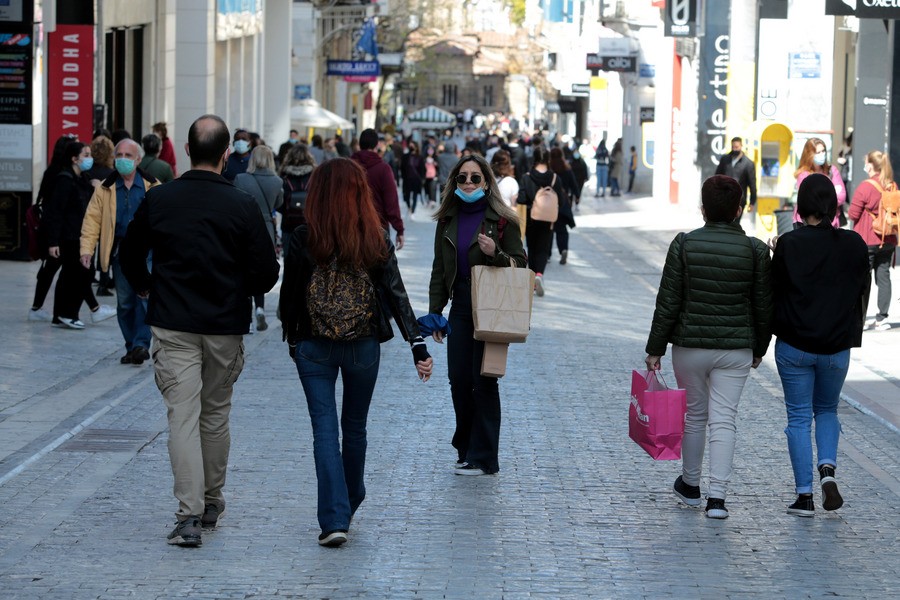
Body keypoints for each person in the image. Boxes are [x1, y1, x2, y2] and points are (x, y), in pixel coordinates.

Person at [120, 114, 279, 547]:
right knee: (215, 414)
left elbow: (129, 255)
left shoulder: (160, 199)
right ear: (227, 154)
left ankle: (189, 515)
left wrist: (146, 288)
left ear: (187, 151)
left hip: (173, 322)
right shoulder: (242, 205)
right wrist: (236, 289)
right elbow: (266, 273)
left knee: (183, 417)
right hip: (225, 325)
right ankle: (210, 501)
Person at [279, 158, 432, 547]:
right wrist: (417, 345)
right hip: (363, 346)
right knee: (355, 427)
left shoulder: (303, 236)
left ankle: (334, 517)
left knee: (324, 431)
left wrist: (292, 338)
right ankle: (350, 497)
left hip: (313, 346)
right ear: (360, 193)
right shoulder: (374, 237)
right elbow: (396, 293)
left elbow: (290, 296)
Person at [645, 175, 773, 520]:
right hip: (736, 349)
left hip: (690, 346)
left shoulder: (684, 244)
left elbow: (668, 302)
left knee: (695, 417)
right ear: (740, 209)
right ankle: (717, 499)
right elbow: (764, 306)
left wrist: (655, 348)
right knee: (724, 420)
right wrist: (759, 348)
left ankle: (690, 486)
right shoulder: (756, 250)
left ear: (703, 208)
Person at [771, 173, 869, 517]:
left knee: (798, 417)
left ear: (801, 207)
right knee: (827, 410)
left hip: (795, 345)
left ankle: (804, 496)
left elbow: (776, 291)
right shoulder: (854, 243)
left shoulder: (788, 244)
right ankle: (827, 470)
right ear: (834, 204)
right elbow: (861, 291)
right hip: (836, 347)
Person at [428, 154, 526, 476]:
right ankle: (466, 446)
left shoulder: (502, 220)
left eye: (475, 178)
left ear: (486, 181)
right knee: (458, 380)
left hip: (492, 307)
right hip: (459, 306)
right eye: (462, 178)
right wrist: (434, 314)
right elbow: (439, 269)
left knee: (483, 380)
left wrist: (493, 254)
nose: (468, 183)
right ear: (454, 182)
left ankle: (483, 457)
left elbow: (521, 265)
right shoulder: (447, 220)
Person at [80, 139, 161, 365]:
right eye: (119, 155)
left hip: (147, 252)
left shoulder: (153, 186)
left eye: (128, 155)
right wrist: (87, 249)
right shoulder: (105, 188)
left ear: (138, 159)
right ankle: (131, 345)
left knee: (144, 299)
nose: (123, 159)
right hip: (120, 253)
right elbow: (92, 220)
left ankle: (140, 345)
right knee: (125, 302)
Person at [42, 141, 116, 328]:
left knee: (71, 274)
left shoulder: (81, 179)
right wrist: (53, 242)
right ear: (74, 159)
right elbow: (56, 212)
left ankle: (60, 315)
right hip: (68, 237)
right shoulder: (65, 180)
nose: (89, 158)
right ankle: (70, 313)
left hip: (78, 234)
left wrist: (94, 185)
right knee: (81, 273)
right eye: (85, 155)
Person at [28, 135, 78, 322]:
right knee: (55, 267)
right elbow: (56, 208)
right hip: (57, 231)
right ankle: (92, 308)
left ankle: (38, 307)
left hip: (55, 230)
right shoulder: (62, 175)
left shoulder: (53, 171)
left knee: (51, 268)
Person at [235, 145, 284, 332]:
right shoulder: (277, 181)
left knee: (244, 269)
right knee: (260, 269)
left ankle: (246, 314)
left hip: (244, 227)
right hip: (267, 228)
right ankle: (261, 309)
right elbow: (278, 204)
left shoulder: (241, 179)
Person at [848, 150, 897, 331]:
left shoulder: (865, 186)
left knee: (863, 279)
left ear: (870, 165)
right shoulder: (892, 185)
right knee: (884, 277)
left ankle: (859, 319)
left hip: (867, 240)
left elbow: (853, 213)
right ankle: (881, 318)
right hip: (889, 238)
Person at [517, 146, 566, 297]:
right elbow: (562, 201)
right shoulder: (555, 178)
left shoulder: (526, 177)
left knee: (532, 247)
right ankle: (539, 274)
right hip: (548, 219)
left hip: (532, 217)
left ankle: (532, 280)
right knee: (543, 248)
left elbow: (522, 199)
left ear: (534, 158)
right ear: (548, 159)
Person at [351, 128, 405, 250]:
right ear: (377, 145)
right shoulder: (383, 169)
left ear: (360, 144)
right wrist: (399, 229)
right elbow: (391, 202)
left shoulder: (348, 167)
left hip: (351, 225)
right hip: (377, 226)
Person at [792, 137, 845, 228]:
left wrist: (820, 198)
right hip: (806, 225)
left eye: (823, 151)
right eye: (818, 152)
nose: (822, 154)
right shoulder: (803, 175)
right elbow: (808, 201)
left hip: (831, 224)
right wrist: (830, 197)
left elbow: (841, 196)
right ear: (809, 154)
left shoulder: (831, 170)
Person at [87, 135, 117, 296]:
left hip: (89, 214)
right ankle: (103, 282)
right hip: (106, 215)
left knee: (89, 246)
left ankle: (89, 276)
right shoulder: (112, 174)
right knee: (106, 249)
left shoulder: (87, 172)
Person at [278, 143, 316, 256]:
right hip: (308, 224)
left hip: (288, 224)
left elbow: (279, 203)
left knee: (289, 260)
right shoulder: (314, 176)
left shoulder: (283, 176)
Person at [549, 147, 578, 265]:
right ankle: (563, 249)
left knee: (549, 229)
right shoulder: (567, 169)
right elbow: (574, 184)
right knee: (562, 229)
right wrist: (577, 196)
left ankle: (547, 254)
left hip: (550, 203)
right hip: (563, 203)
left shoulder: (549, 169)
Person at [715, 136, 757, 214]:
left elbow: (752, 184)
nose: (735, 149)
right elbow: (717, 177)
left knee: (735, 223)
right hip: (724, 197)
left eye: (737, 147)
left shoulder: (748, 164)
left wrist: (752, 202)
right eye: (733, 147)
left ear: (741, 146)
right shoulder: (725, 159)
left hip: (739, 199)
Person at [401, 140, 425, 217]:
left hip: (416, 179)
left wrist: (422, 178)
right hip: (407, 179)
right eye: (410, 145)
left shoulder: (420, 157)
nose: (411, 147)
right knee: (406, 195)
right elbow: (402, 167)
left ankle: (413, 210)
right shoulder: (405, 156)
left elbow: (422, 169)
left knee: (415, 195)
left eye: (413, 145)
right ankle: (409, 207)